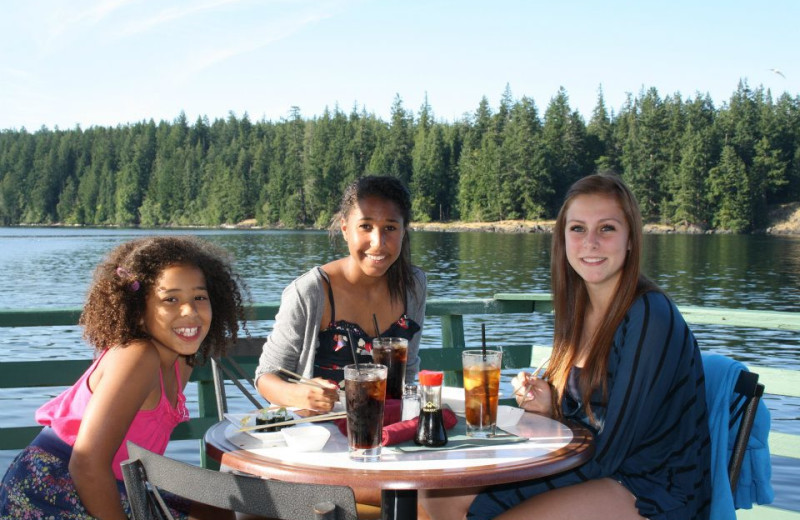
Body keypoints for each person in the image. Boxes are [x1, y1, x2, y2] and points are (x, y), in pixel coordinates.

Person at [420, 172, 712, 520]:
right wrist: (551, 409)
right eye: (577, 229)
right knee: (436, 498)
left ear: (631, 238)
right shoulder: (578, 310)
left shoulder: (650, 315)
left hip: (650, 484)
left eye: (607, 228)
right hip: (597, 462)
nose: (590, 242)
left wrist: (519, 468)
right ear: (563, 239)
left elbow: (616, 447)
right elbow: (593, 417)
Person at [0, 236, 248, 520]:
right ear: (139, 311)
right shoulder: (137, 357)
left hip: (117, 483)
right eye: (171, 299)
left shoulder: (182, 360)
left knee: (223, 508)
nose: (189, 311)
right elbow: (86, 464)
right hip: (50, 489)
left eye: (199, 297)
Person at [256, 175, 427, 412]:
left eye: (390, 228)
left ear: (403, 232)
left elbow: (408, 371)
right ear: (345, 229)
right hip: (321, 434)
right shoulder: (311, 291)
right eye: (365, 226)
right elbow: (266, 377)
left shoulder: (413, 285)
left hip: (391, 430)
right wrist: (299, 394)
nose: (378, 242)